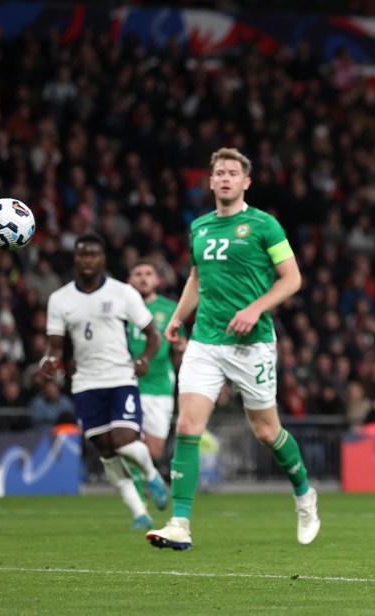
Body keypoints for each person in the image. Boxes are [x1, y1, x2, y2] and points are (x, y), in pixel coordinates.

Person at [147, 147, 319, 550]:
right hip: (206, 341)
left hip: (252, 344)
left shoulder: (264, 226)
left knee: (267, 431)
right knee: (188, 427)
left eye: (232, 173)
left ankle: (304, 493)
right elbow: (196, 277)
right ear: (210, 182)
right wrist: (176, 317)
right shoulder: (200, 227)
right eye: (219, 173)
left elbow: (291, 279)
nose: (225, 178)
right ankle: (180, 523)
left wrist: (254, 308)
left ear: (246, 182)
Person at [42, 233, 167, 529]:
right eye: (82, 254)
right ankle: (139, 513)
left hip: (121, 377)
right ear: (75, 259)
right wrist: (48, 362)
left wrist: (146, 358)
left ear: (103, 260)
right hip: (85, 383)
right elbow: (55, 346)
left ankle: (151, 475)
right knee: (107, 453)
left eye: (93, 254)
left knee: (123, 441)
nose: (88, 260)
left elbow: (153, 334)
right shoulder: (60, 299)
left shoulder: (122, 293)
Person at [127, 259, 184, 469]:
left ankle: (146, 479)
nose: (143, 278)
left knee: (155, 451)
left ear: (158, 280)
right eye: (138, 274)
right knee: (126, 439)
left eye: (148, 274)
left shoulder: (170, 309)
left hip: (159, 384)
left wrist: (181, 349)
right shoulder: (121, 308)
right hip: (127, 382)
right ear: (129, 280)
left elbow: (179, 347)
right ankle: (136, 491)